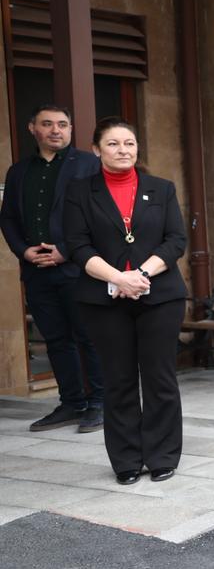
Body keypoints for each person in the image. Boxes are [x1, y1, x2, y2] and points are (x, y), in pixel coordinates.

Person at [61, 119, 186, 485]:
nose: (123, 150)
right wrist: (118, 278)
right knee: (118, 380)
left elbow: (175, 241)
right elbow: (77, 246)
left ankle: (162, 456)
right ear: (96, 149)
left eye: (129, 143)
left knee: (160, 378)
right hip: (103, 299)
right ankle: (127, 460)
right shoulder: (79, 191)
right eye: (113, 143)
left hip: (160, 296)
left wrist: (140, 275)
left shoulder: (161, 188)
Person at [0, 104, 104, 432]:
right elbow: (8, 218)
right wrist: (24, 251)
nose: (56, 130)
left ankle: (100, 403)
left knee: (89, 336)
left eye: (62, 124)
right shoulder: (18, 171)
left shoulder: (89, 165)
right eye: (47, 124)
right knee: (56, 340)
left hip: (78, 268)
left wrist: (67, 251)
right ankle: (71, 403)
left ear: (71, 129)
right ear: (33, 128)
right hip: (37, 271)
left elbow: (99, 215)